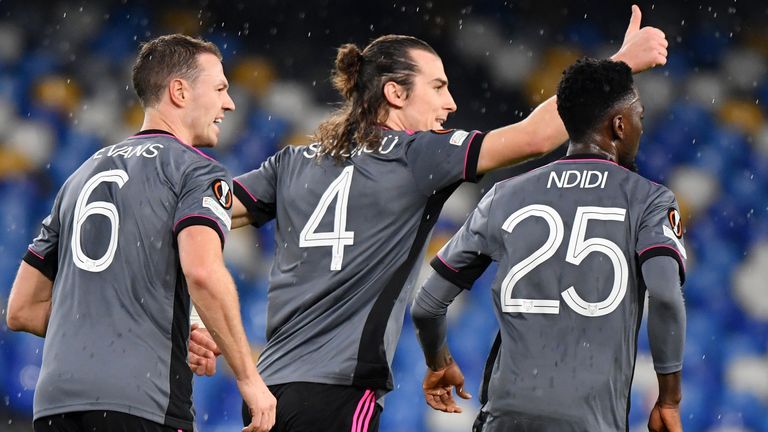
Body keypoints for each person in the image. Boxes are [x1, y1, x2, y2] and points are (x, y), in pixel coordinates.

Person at [188, 6, 669, 431]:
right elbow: (536, 136)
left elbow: (194, 222)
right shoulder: (417, 155)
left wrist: (190, 313)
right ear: (395, 93)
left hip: (269, 394)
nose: (451, 103)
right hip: (338, 394)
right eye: (438, 87)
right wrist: (621, 63)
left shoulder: (290, 162)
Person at [6, 34, 275, 432]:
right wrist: (248, 378)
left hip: (56, 406)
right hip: (141, 404)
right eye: (220, 88)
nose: (229, 103)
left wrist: (151, 331)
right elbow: (202, 272)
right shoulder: (197, 170)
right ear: (179, 91)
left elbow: (22, 309)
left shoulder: (79, 177)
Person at [410, 57, 686, 432]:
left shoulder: (503, 195)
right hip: (591, 421)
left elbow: (427, 305)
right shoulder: (649, 200)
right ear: (619, 125)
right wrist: (668, 398)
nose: (641, 124)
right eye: (638, 114)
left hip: (506, 418)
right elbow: (667, 298)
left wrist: (439, 362)